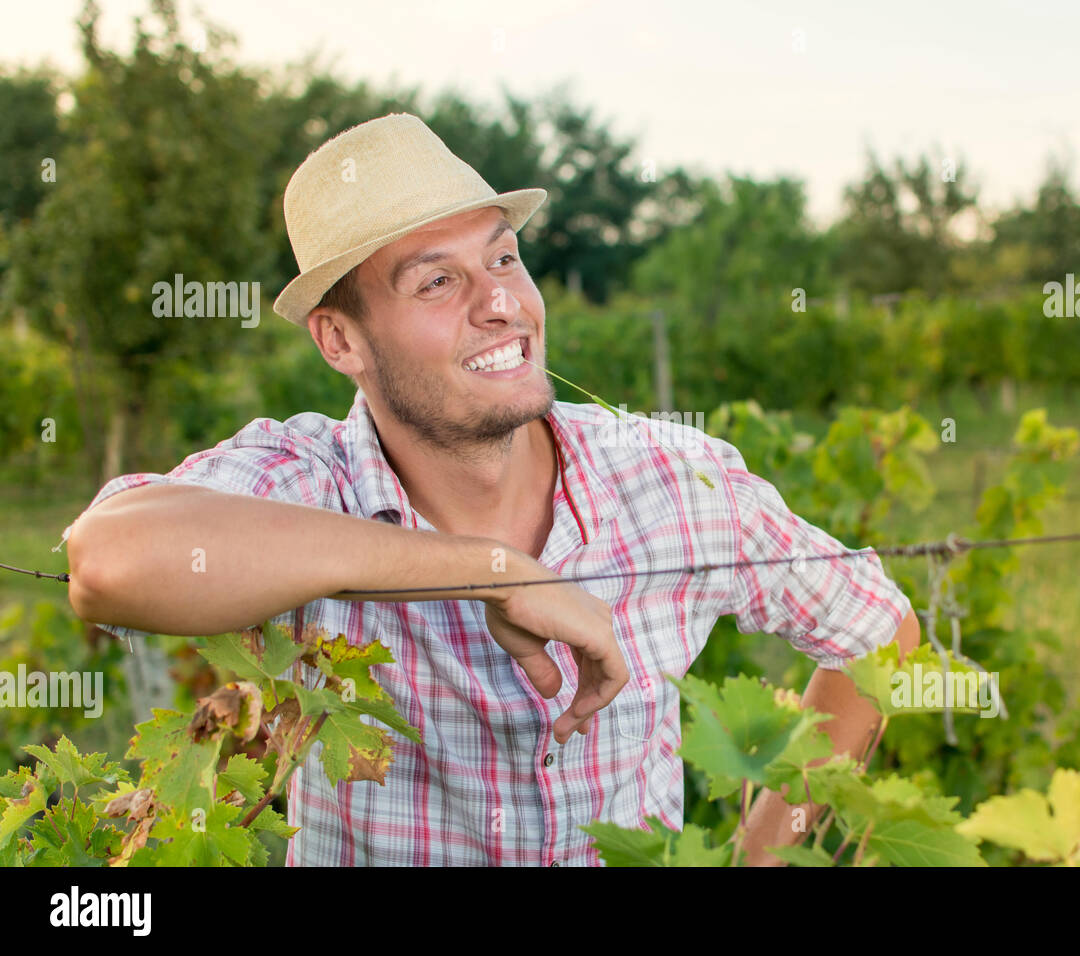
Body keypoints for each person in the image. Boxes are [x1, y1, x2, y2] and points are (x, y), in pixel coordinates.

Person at [66, 113, 919, 867]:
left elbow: (877, 636)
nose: (502, 302)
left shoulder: (671, 482)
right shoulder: (306, 483)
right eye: (437, 280)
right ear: (339, 341)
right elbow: (106, 561)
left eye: (503, 258)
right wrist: (486, 570)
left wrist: (763, 856)